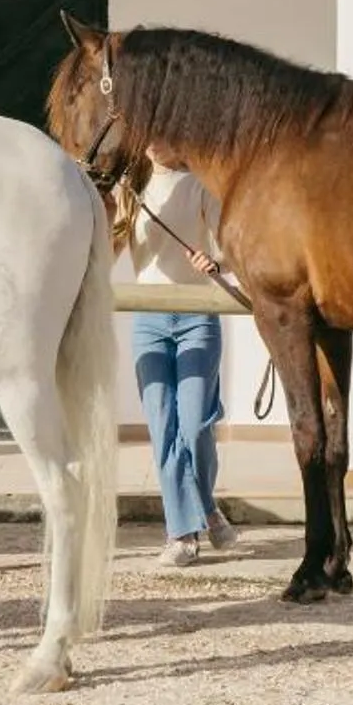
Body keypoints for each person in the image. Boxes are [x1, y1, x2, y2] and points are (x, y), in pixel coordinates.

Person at [126, 165, 238, 567]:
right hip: (147, 318)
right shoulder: (131, 186)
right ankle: (183, 532)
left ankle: (205, 509)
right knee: (163, 428)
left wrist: (217, 262)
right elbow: (104, 251)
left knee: (195, 425)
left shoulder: (200, 184)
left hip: (198, 316)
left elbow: (232, 243)